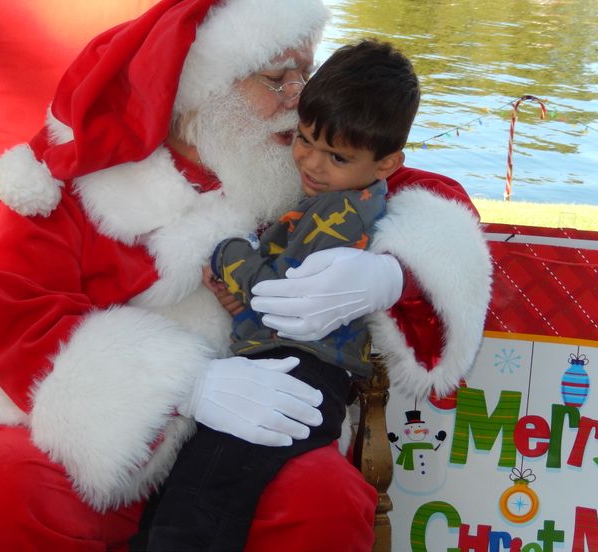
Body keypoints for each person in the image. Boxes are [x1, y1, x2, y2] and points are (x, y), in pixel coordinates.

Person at [0, 0, 492, 552]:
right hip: (90, 414)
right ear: (204, 87)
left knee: (322, 500)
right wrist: (180, 386)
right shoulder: (74, 178)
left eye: (305, 71)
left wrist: (392, 273)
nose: (299, 95)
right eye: (277, 76)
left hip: (256, 410)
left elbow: (432, 201)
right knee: (1, 492)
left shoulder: (305, 162)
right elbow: (19, 308)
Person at [132, 38, 419, 551]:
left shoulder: (338, 212)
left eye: (335, 155)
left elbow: (272, 290)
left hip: (297, 374)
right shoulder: (344, 185)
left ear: (387, 163)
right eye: (304, 139)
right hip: (280, 361)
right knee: (188, 492)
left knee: (202, 502)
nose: (310, 162)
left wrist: (227, 253)